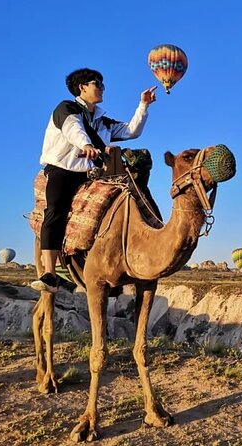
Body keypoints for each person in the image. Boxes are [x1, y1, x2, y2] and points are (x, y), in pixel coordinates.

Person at [31, 68, 157, 292]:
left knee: (122, 205)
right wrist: (87, 145)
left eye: (102, 84)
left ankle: (115, 264)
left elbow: (131, 131)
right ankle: (50, 274)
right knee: (55, 212)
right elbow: (73, 128)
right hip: (63, 170)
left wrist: (143, 106)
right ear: (82, 88)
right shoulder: (66, 108)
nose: (102, 88)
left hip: (90, 174)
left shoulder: (103, 121)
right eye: (97, 83)